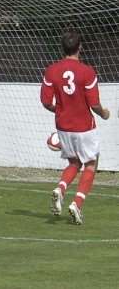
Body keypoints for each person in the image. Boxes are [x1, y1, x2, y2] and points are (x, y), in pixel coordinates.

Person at [40, 29, 109, 225]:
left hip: (63, 125)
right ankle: (77, 204)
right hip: (84, 126)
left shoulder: (51, 70)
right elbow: (94, 105)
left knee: (73, 163)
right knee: (90, 164)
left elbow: (45, 102)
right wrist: (104, 114)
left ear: (62, 48)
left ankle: (60, 189)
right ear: (80, 47)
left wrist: (60, 111)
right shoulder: (87, 71)